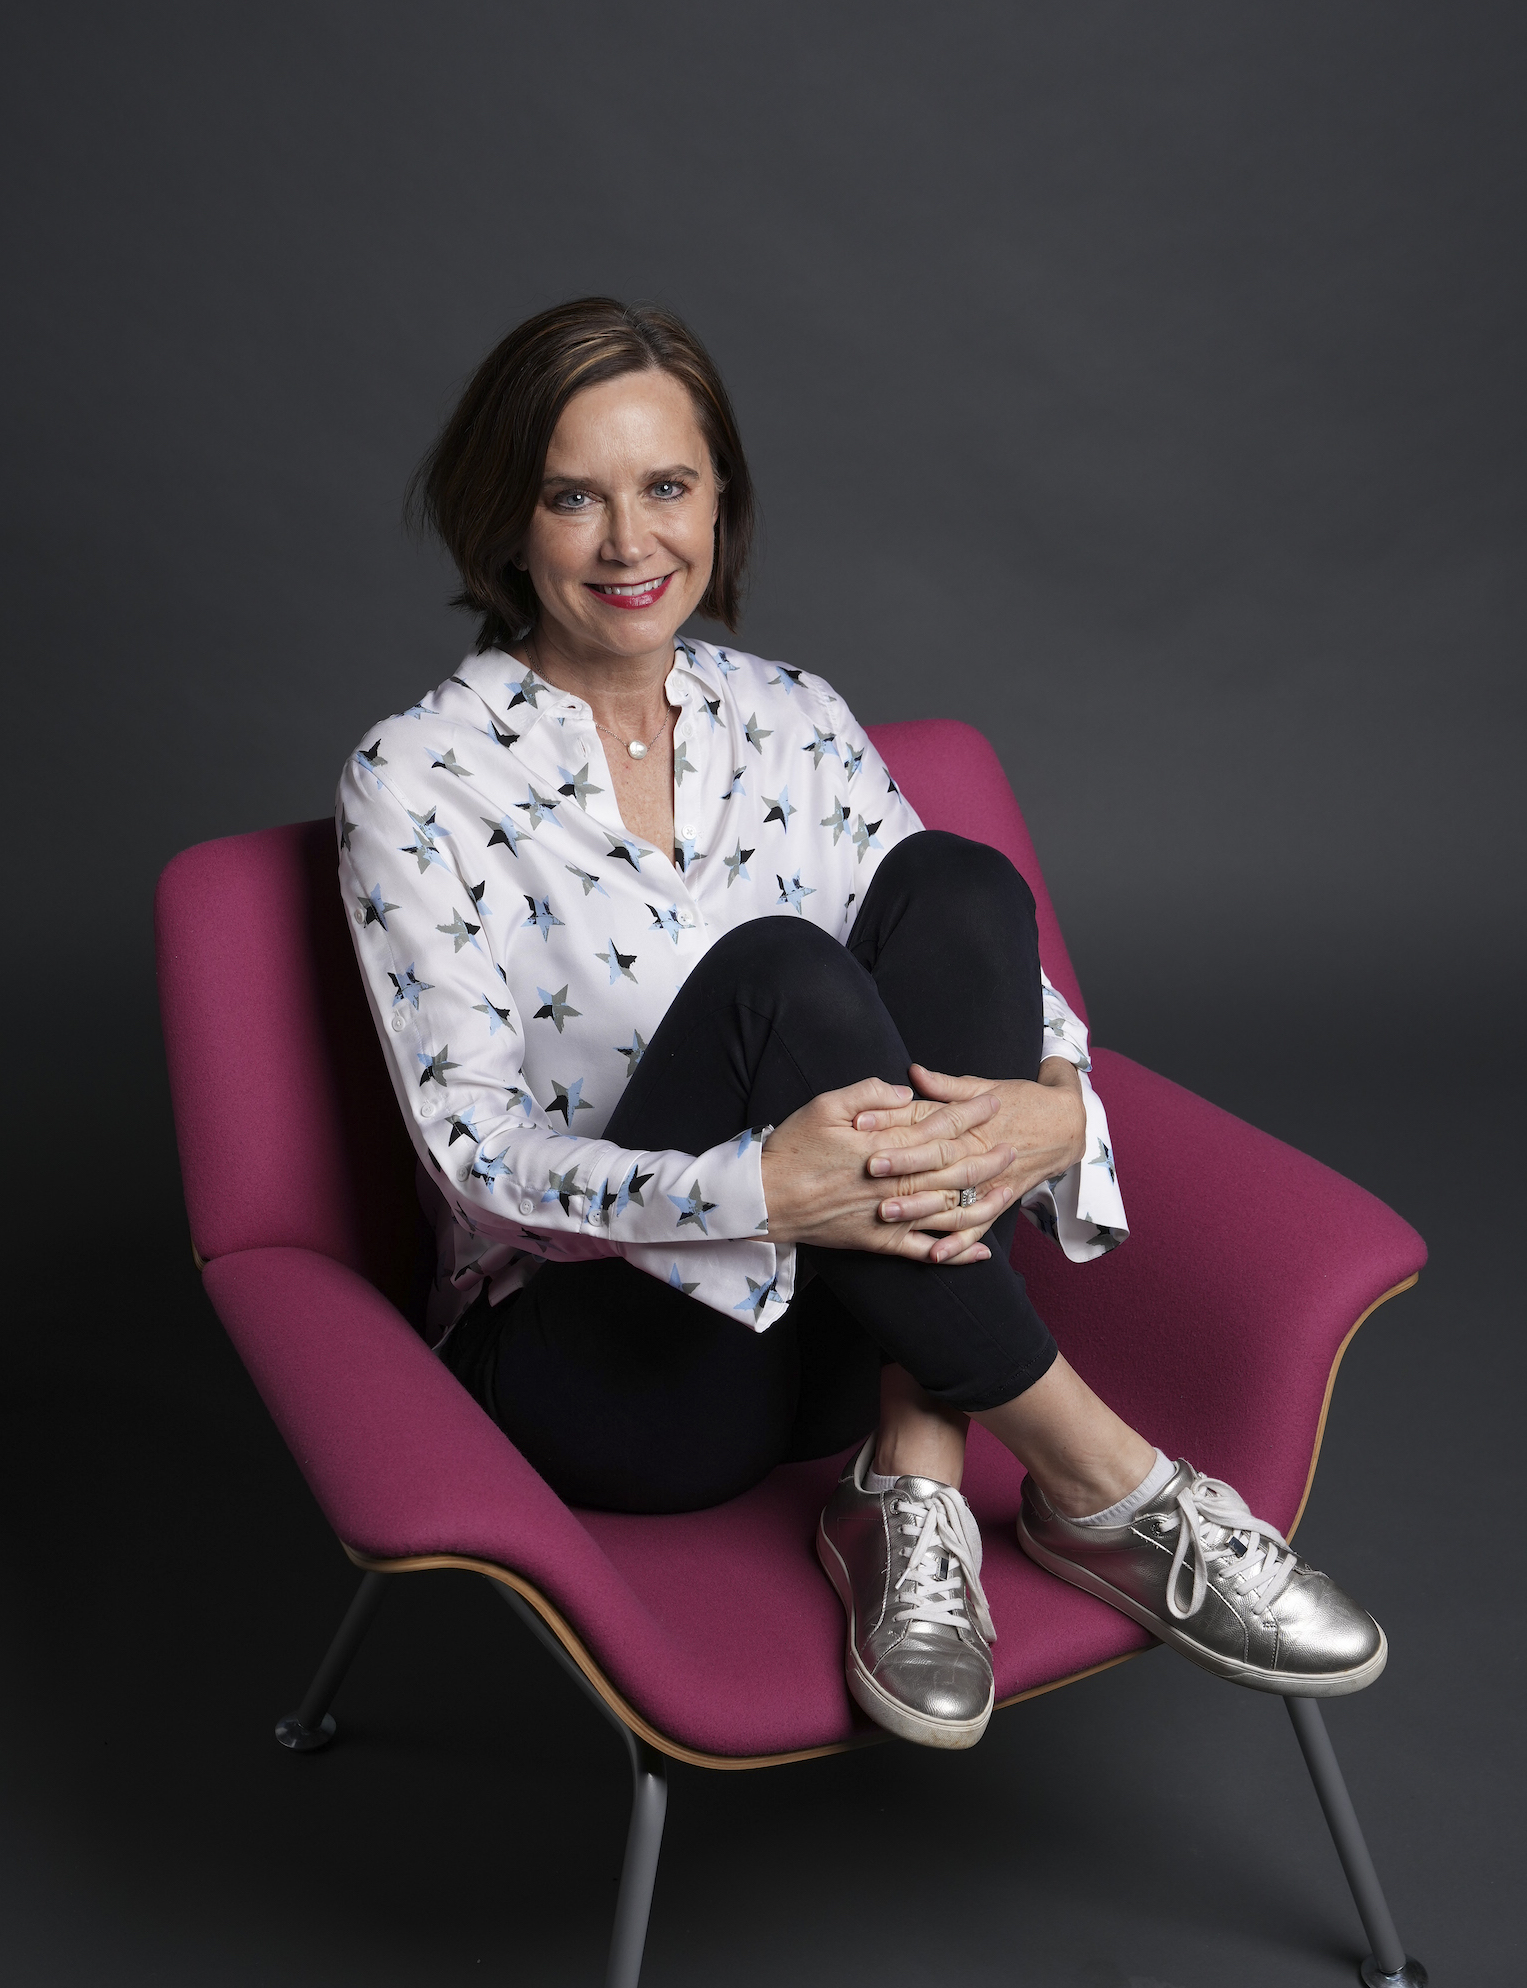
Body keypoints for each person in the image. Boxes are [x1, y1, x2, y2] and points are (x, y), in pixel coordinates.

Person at [336, 296, 1385, 1752]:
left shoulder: (795, 718)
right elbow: (473, 1161)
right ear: (507, 520)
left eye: (667, 486)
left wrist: (1061, 1104)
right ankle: (1110, 1487)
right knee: (784, 979)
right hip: (627, 1384)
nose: (631, 542)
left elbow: (985, 978)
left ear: (721, 499)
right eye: (575, 497)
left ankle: (910, 1485)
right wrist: (759, 1190)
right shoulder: (416, 778)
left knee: (957, 886)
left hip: (852, 1339)